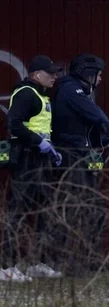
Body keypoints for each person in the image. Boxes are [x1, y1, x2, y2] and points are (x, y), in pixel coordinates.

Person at [51, 53, 109, 276]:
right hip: (72, 158)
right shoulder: (70, 90)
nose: (101, 79)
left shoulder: (76, 91)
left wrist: (104, 142)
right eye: (98, 75)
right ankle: (76, 263)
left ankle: (91, 261)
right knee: (82, 209)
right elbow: (95, 115)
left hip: (80, 155)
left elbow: (82, 130)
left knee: (93, 209)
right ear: (88, 73)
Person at [1, 55, 63, 281]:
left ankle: (37, 263)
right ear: (37, 75)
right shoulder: (27, 93)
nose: (55, 76)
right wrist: (39, 143)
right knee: (17, 213)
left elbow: (41, 128)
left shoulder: (41, 95)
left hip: (40, 160)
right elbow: (13, 123)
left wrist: (51, 150)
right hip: (26, 160)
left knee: (44, 212)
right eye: (50, 73)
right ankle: (7, 267)